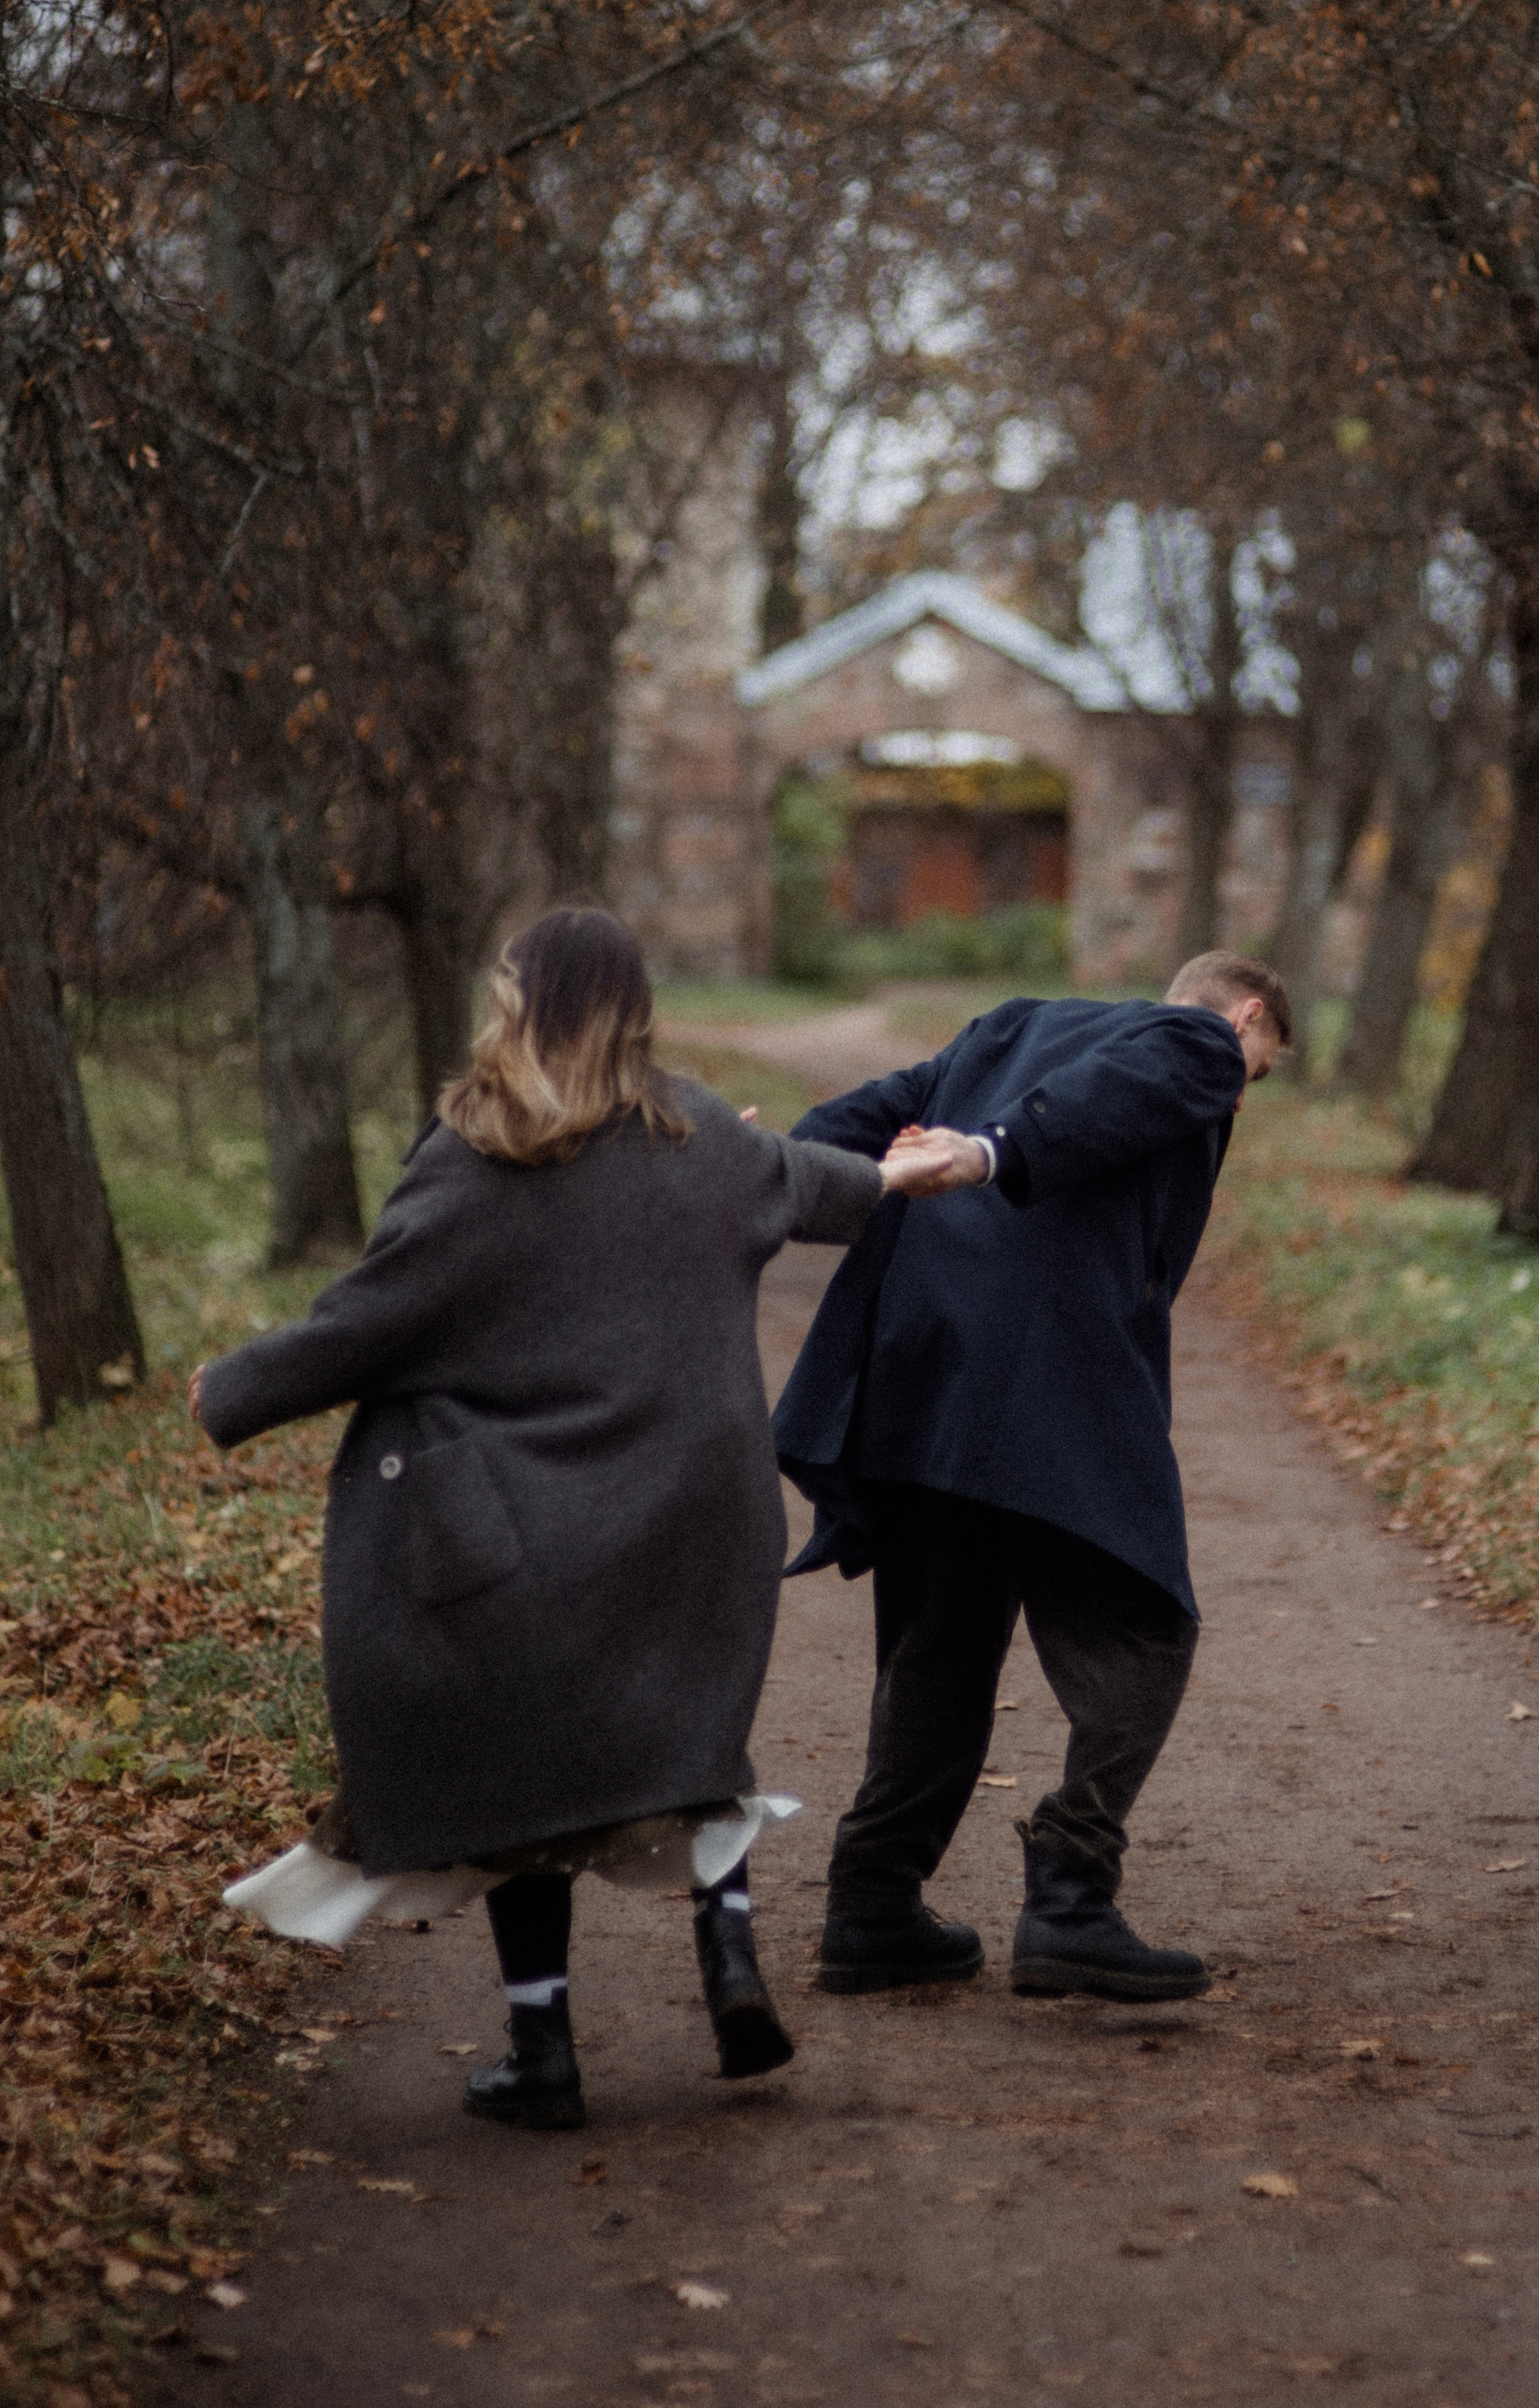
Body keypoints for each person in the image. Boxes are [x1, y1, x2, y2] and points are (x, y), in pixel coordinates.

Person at [191, 907, 980, 2131]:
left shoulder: (477, 1149)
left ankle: (545, 2054)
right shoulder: (702, 1130)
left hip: (531, 1522)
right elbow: (818, 1187)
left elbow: (371, 1319)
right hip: (693, 1508)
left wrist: (235, 1388)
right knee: (692, 1751)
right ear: (634, 1006)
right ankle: (729, 1972)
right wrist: (912, 1169)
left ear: (520, 1001)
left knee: (525, 1796)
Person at [772, 948, 1289, 2004]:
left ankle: (869, 1909)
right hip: (1047, 1381)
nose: (1242, 1092)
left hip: (917, 1379)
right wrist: (997, 1151)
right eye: (1263, 1067)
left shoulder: (1004, 1027)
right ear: (1248, 1015)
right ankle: (1071, 1899)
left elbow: (862, 1119)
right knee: (1147, 1625)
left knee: (941, 1648)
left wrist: (754, 1169)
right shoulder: (1198, 1041)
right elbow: (1123, 1092)